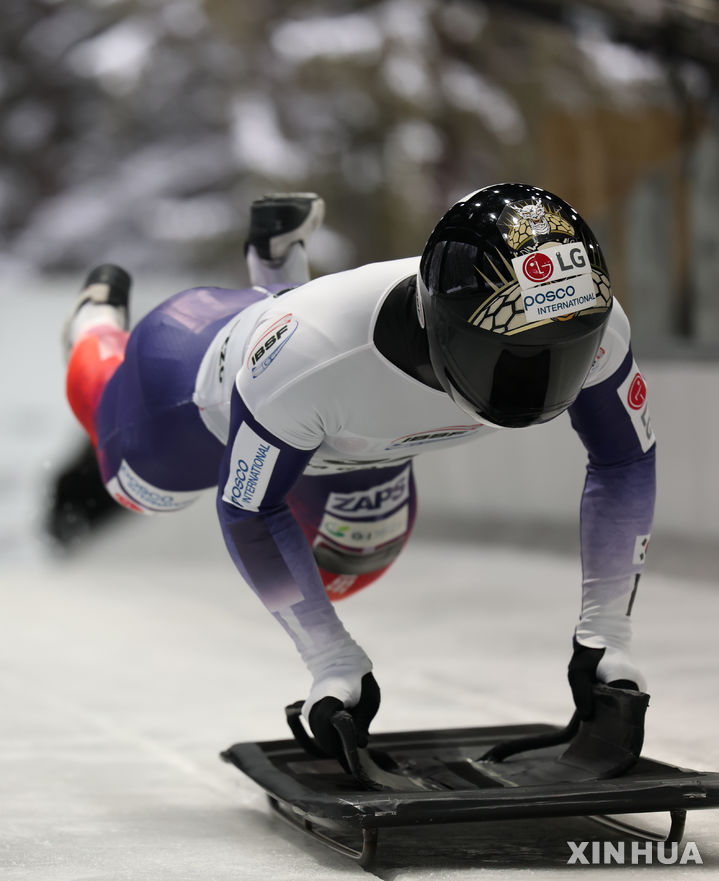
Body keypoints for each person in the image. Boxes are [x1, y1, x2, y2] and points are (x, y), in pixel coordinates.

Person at [62, 183, 655, 759]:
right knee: (135, 489)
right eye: (510, 359)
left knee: (350, 570)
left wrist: (607, 636)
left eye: (565, 356)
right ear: (437, 324)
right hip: (194, 390)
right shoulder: (308, 366)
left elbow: (626, 457)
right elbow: (247, 507)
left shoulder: (593, 319)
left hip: (343, 426)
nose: (538, 386)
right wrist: (328, 660)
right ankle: (97, 326)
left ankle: (279, 275)